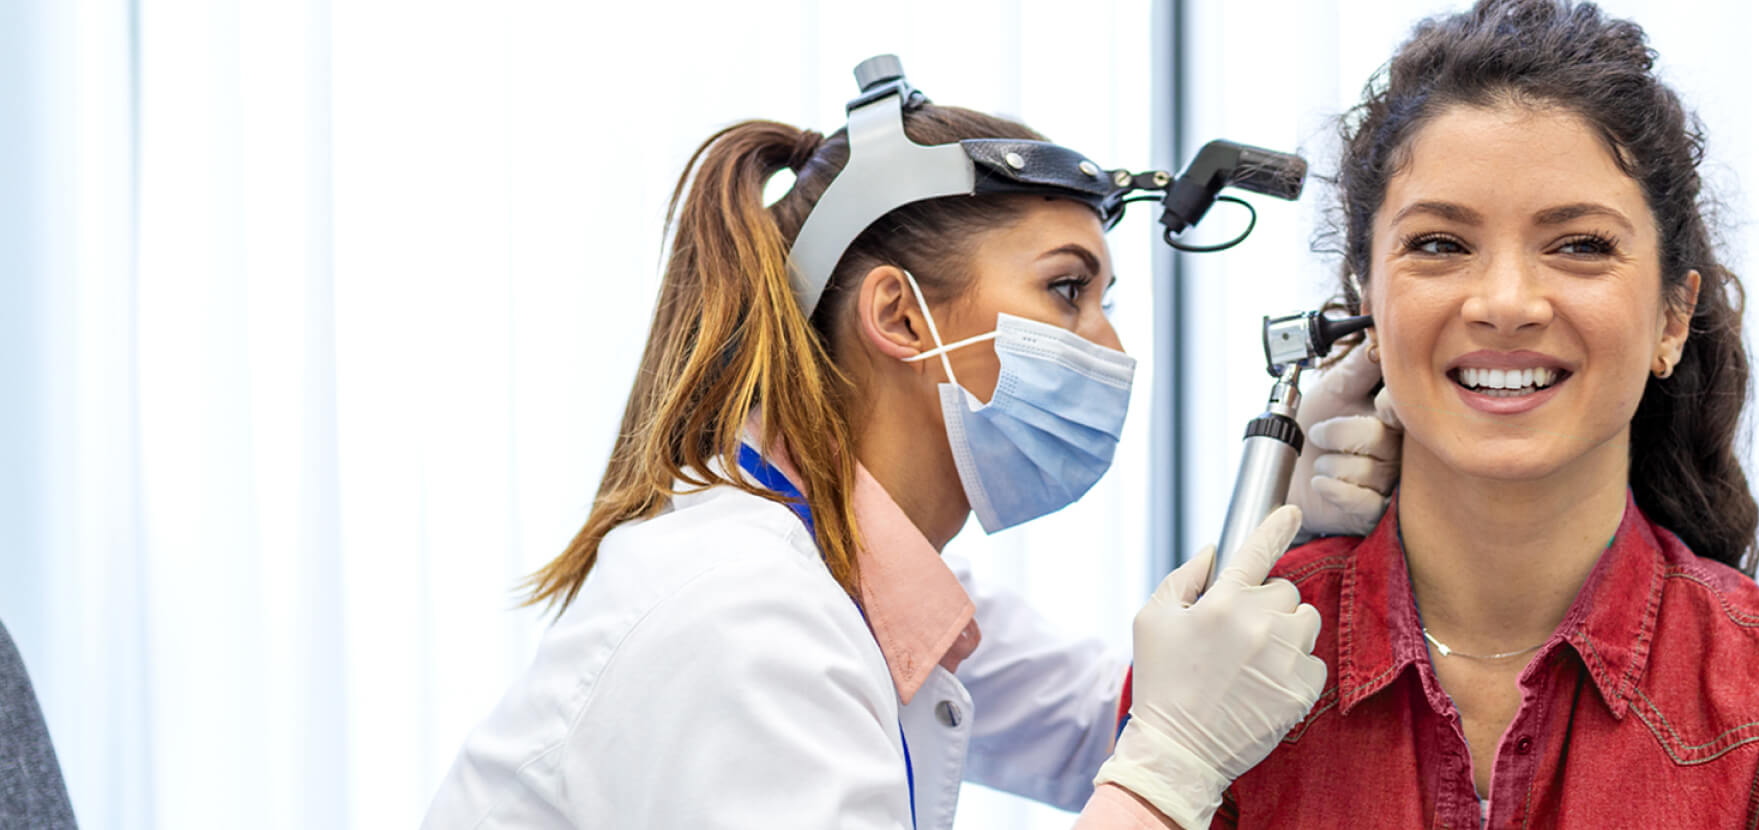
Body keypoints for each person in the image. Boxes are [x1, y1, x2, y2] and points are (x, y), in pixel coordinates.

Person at [421, 60, 1396, 830]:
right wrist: (1170, 763)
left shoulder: (863, 575)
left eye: (1106, 299)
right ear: (899, 315)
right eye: (1066, 289)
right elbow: (1165, 743)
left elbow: (1114, 720)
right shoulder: (745, 616)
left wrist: (1284, 516)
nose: (1111, 346)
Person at [1222, 1, 1759, 826]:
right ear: (1367, 303)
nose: (1506, 303)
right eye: (1439, 243)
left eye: (1581, 245)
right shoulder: (1217, 680)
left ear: (1672, 320)